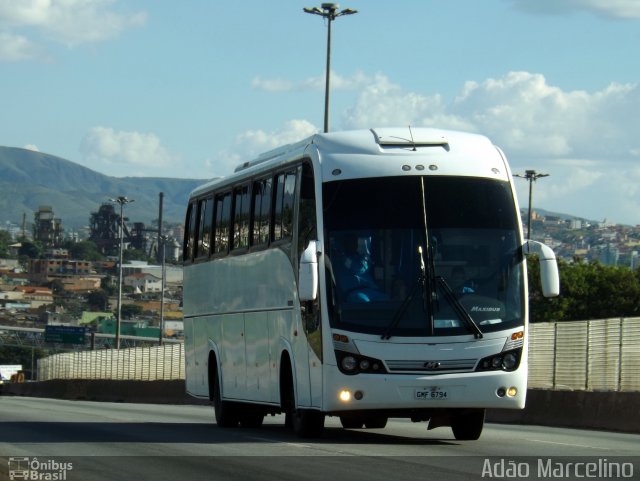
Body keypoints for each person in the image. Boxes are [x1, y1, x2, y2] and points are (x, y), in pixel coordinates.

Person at [333, 232, 387, 303]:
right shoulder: (338, 260)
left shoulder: (361, 258)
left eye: (355, 242)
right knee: (363, 301)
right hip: (353, 292)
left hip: (370, 290)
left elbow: (360, 269)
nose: (354, 245)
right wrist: (341, 255)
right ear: (345, 244)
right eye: (350, 242)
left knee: (386, 299)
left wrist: (343, 257)